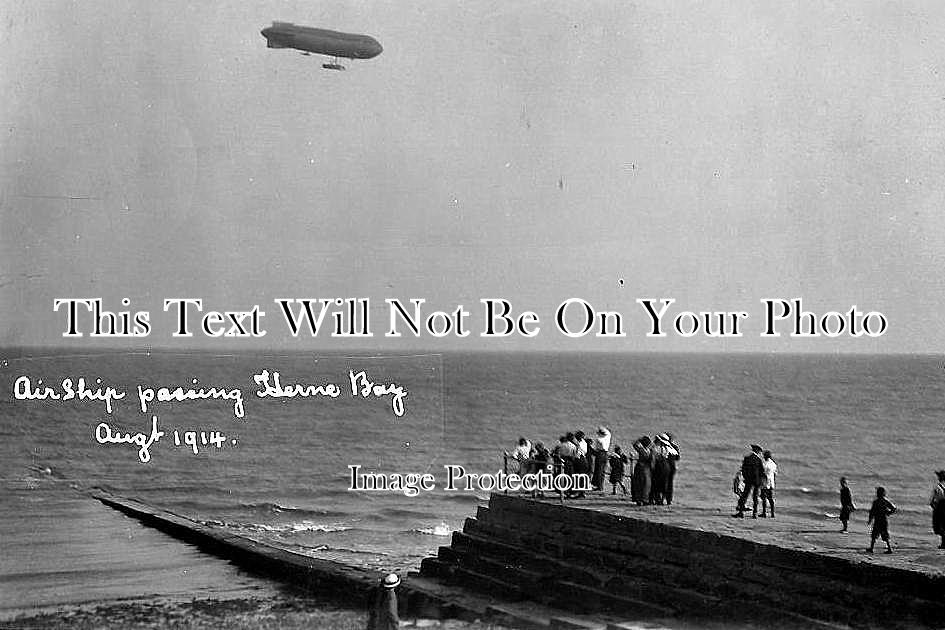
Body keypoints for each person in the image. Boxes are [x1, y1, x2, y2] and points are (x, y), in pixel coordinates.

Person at [733, 444, 765, 518]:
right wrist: (760, 480)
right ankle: (755, 513)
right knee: (755, 497)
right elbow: (762, 471)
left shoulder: (747, 458)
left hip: (748, 480)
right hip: (756, 481)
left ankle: (741, 512)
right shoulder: (759, 460)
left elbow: (743, 470)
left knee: (744, 496)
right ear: (758, 451)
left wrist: (745, 477)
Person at [867, 486, 896, 554]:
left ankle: (871, 548)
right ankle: (889, 548)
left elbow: (872, 512)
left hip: (878, 520)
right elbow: (894, 508)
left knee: (874, 535)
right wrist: (888, 513)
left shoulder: (876, 502)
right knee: (885, 534)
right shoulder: (885, 501)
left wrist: (870, 520)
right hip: (884, 520)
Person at [631, 436, 653, 505]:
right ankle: (645, 499)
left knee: (638, 484)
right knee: (646, 484)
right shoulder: (650, 451)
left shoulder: (641, 450)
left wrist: (639, 440)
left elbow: (634, 444)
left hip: (640, 467)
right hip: (647, 469)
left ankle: (639, 499)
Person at [591, 426, 612, 491]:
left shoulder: (599, 439)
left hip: (600, 454)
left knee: (598, 470)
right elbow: (607, 431)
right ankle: (600, 485)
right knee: (602, 471)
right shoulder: (608, 436)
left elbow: (597, 448)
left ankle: (598, 486)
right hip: (605, 454)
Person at [930, 470, 945, 549]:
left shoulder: (938, 487)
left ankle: (943, 543)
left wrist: (934, 507)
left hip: (940, 507)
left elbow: (932, 500)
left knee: (939, 525)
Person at [760, 450, 777, 518]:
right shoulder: (773, 463)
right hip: (771, 482)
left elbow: (762, 472)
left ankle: (764, 512)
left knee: (764, 497)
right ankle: (772, 513)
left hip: (765, 482)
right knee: (770, 498)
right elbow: (775, 473)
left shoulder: (764, 463)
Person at [665, 433, 680, 505]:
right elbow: (678, 458)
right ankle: (669, 500)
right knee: (670, 484)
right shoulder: (675, 447)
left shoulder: (664, 447)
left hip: (664, 466)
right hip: (672, 466)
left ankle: (661, 498)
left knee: (662, 482)